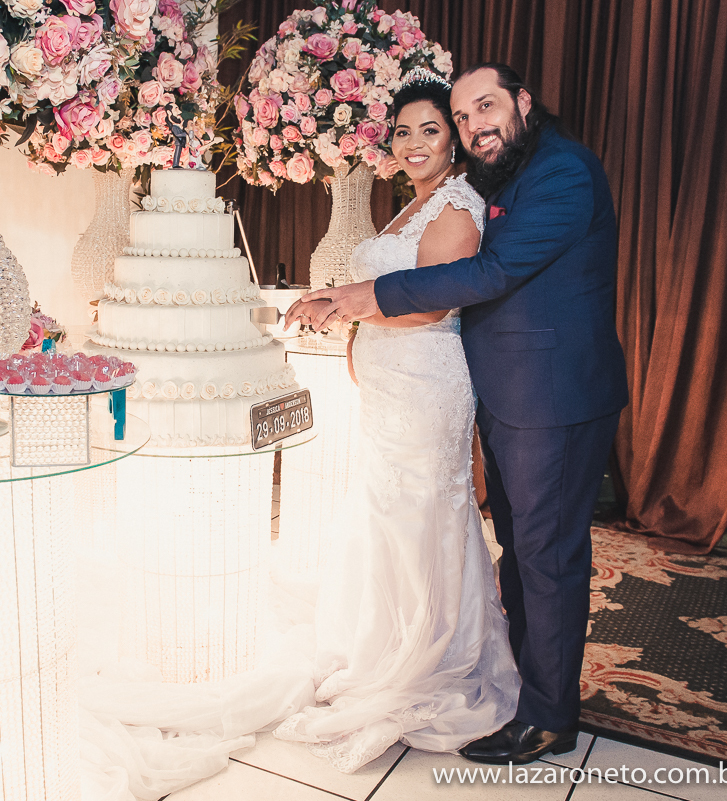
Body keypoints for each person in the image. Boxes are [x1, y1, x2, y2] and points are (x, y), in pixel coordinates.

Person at [287, 63, 629, 765]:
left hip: (554, 397)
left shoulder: (563, 172)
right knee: (521, 553)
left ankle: (549, 716)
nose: (476, 126)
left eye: (485, 108)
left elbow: (487, 276)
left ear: (523, 102)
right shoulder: (508, 175)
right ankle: (527, 686)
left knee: (549, 558)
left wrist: (356, 296)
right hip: (507, 395)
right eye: (465, 116)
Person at [272, 71, 521, 773]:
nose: (413, 144)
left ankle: (432, 657)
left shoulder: (456, 207)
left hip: (427, 387)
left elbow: (429, 306)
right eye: (403, 131)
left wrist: (348, 307)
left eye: (430, 130)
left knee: (421, 515)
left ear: (456, 141)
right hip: (389, 389)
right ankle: (380, 641)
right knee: (386, 511)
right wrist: (336, 310)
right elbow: (385, 293)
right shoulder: (406, 209)